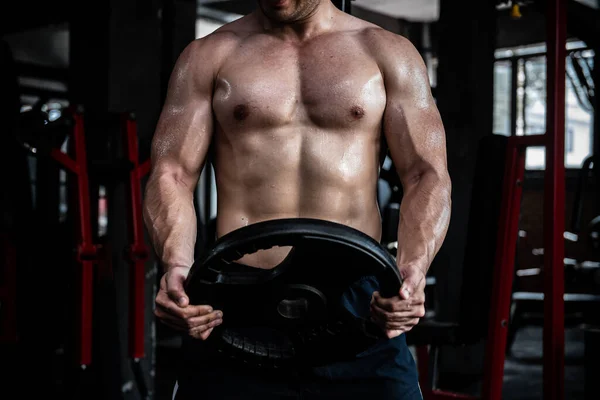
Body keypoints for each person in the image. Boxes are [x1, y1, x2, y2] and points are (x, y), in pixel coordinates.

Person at [143, 0, 452, 398]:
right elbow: (172, 173)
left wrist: (412, 270)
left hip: (359, 304)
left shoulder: (385, 52)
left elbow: (426, 173)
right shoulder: (209, 56)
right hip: (234, 305)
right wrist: (177, 266)